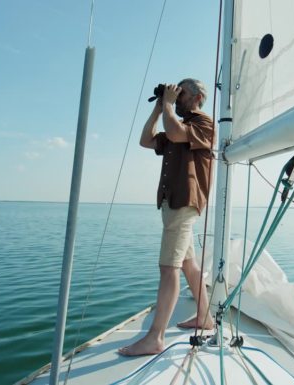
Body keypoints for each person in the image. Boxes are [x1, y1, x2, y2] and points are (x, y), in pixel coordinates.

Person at [118, 79, 215, 356]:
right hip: (173, 203)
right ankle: (205, 317)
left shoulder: (203, 124)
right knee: (188, 265)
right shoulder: (176, 123)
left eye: (181, 93)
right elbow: (146, 140)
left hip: (184, 203)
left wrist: (170, 107)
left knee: (168, 268)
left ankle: (155, 338)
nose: (177, 96)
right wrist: (159, 109)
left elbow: (174, 134)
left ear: (196, 98)